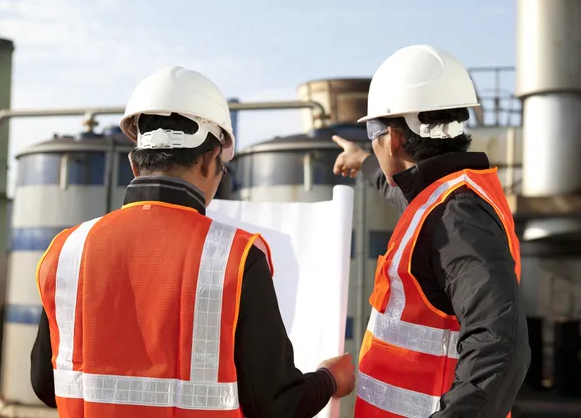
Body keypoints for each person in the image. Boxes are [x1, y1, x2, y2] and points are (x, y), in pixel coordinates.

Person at [30, 66, 355, 418]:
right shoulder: (237, 257)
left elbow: (46, 385)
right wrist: (329, 380)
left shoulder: (66, 250)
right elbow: (275, 404)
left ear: (134, 165)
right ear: (209, 159)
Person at [332, 45, 530, 418]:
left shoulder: (457, 215)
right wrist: (363, 162)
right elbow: (405, 194)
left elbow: (502, 345)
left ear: (392, 138)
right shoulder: (449, 194)